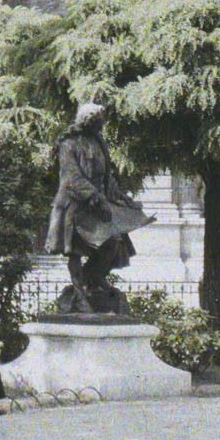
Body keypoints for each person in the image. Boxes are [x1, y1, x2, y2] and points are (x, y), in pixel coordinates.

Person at [45, 100, 150, 314]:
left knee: (113, 241)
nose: (103, 125)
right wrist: (95, 197)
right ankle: (79, 294)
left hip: (96, 204)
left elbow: (106, 178)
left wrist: (123, 198)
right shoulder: (69, 143)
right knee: (74, 251)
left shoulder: (98, 142)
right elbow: (71, 177)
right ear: (89, 121)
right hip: (74, 205)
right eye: (100, 121)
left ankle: (93, 279)